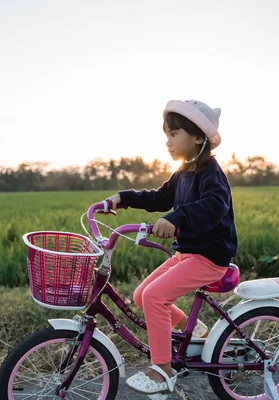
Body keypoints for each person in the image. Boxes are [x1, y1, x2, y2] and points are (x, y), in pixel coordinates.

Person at [106, 99, 238, 395]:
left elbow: (213, 207)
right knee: (142, 295)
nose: (168, 141)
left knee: (154, 296)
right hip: (188, 253)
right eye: (166, 135)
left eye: (174, 134)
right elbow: (159, 197)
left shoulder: (211, 174)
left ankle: (162, 371)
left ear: (198, 138)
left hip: (210, 256)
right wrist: (121, 197)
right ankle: (196, 332)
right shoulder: (183, 172)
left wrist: (176, 218)